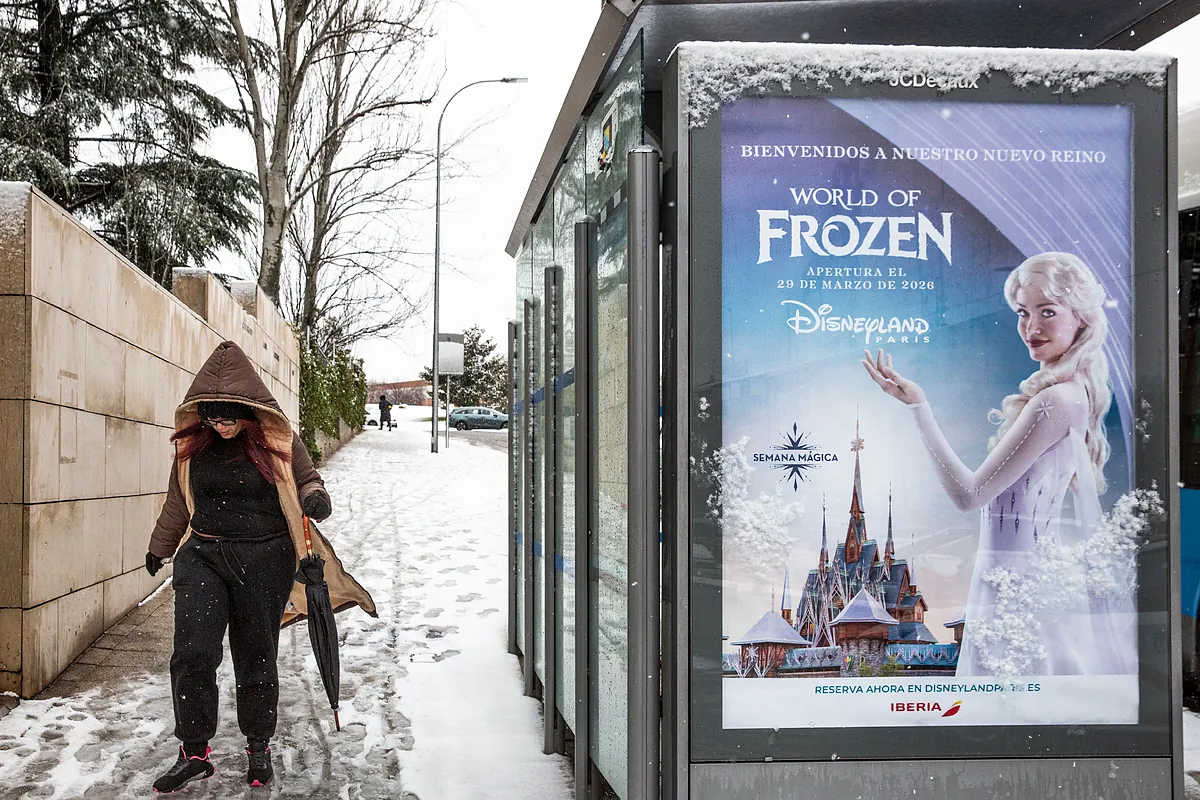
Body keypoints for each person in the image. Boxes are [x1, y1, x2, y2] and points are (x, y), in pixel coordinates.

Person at [862, 251, 1134, 678]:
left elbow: (968, 495)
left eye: (1048, 311)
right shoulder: (1075, 391)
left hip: (1012, 581)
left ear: (1081, 317)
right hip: (1023, 576)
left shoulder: (1056, 400)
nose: (1031, 327)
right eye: (1023, 312)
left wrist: (919, 407)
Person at [146, 341, 376, 793]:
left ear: (249, 409)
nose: (221, 424)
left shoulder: (278, 442)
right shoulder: (193, 447)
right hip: (204, 556)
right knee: (193, 653)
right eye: (212, 415)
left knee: (255, 655)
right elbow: (178, 502)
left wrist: (315, 499)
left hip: (264, 560)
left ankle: (258, 745)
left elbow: (308, 477)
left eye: (229, 415)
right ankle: (194, 751)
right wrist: (161, 547)